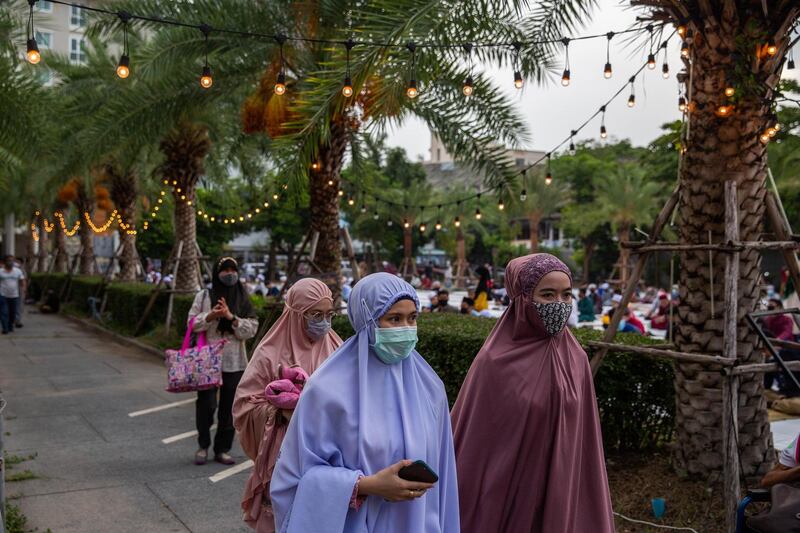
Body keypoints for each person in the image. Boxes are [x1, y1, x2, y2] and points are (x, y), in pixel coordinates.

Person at [270, 273, 460, 533]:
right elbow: (293, 479)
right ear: (367, 321)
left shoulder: (429, 388)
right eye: (394, 318)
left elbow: (445, 480)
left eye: (412, 318)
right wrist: (366, 486)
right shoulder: (326, 391)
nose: (406, 328)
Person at [451, 253, 614, 533]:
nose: (559, 304)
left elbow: (584, 441)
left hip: (563, 487)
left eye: (566, 295)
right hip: (508, 495)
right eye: (547, 295)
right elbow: (475, 447)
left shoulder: (576, 359)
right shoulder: (494, 362)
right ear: (522, 298)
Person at [233, 278, 343, 532]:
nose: (324, 321)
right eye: (315, 314)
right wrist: (280, 410)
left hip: (330, 452)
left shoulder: (337, 348)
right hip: (285, 456)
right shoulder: (269, 353)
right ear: (296, 314)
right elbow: (244, 405)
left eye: (329, 314)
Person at [188, 257, 259, 466]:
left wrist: (230, 317)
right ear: (217, 273)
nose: (229, 273)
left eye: (233, 270)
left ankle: (222, 449)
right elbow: (191, 322)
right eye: (225, 270)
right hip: (207, 360)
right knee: (206, 405)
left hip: (234, 361)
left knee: (229, 408)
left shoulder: (243, 297)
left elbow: (251, 329)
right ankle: (203, 445)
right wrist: (210, 316)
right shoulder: (204, 296)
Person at [0, 255, 25, 335]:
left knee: (12, 313)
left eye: (11, 260)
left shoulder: (17, 271)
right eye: (8, 260)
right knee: (4, 312)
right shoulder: (1, 272)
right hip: (3, 295)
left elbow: (22, 281)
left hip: (14, 296)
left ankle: (10, 326)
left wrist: (23, 288)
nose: (10, 262)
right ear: (4, 262)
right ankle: (5, 328)